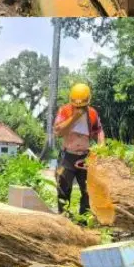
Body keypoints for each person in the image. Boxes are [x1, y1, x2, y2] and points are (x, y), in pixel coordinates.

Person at [53, 82, 105, 217]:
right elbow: (58, 132)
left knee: (88, 190)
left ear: (88, 101)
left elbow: (99, 131)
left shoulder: (93, 113)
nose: (79, 108)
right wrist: (75, 117)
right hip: (67, 156)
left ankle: (84, 220)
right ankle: (63, 218)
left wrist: (101, 147)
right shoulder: (64, 110)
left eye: (82, 106)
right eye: (76, 105)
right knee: (63, 188)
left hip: (85, 157)